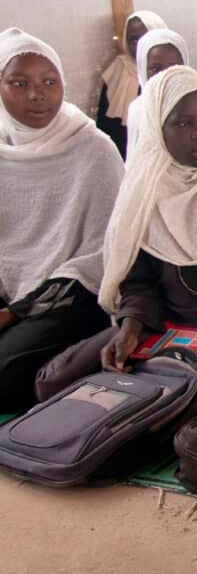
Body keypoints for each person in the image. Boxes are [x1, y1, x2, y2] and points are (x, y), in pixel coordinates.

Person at [35, 66, 197, 408]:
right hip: (161, 322)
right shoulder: (145, 186)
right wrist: (131, 328)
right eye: (183, 123)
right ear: (156, 128)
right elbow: (137, 280)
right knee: (53, 381)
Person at [0, 28, 124, 409]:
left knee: (4, 373)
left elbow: (107, 252)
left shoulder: (93, 148)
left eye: (49, 82)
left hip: (74, 295)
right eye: (19, 83)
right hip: (9, 288)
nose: (37, 95)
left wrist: (16, 311)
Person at [97, 10, 167, 157]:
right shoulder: (118, 69)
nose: (139, 45)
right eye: (132, 40)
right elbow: (104, 121)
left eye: (145, 37)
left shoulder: (170, 69)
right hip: (122, 152)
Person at [125, 28, 189, 157]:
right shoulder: (138, 109)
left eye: (172, 67)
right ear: (143, 71)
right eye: (155, 69)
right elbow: (135, 159)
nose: (164, 75)